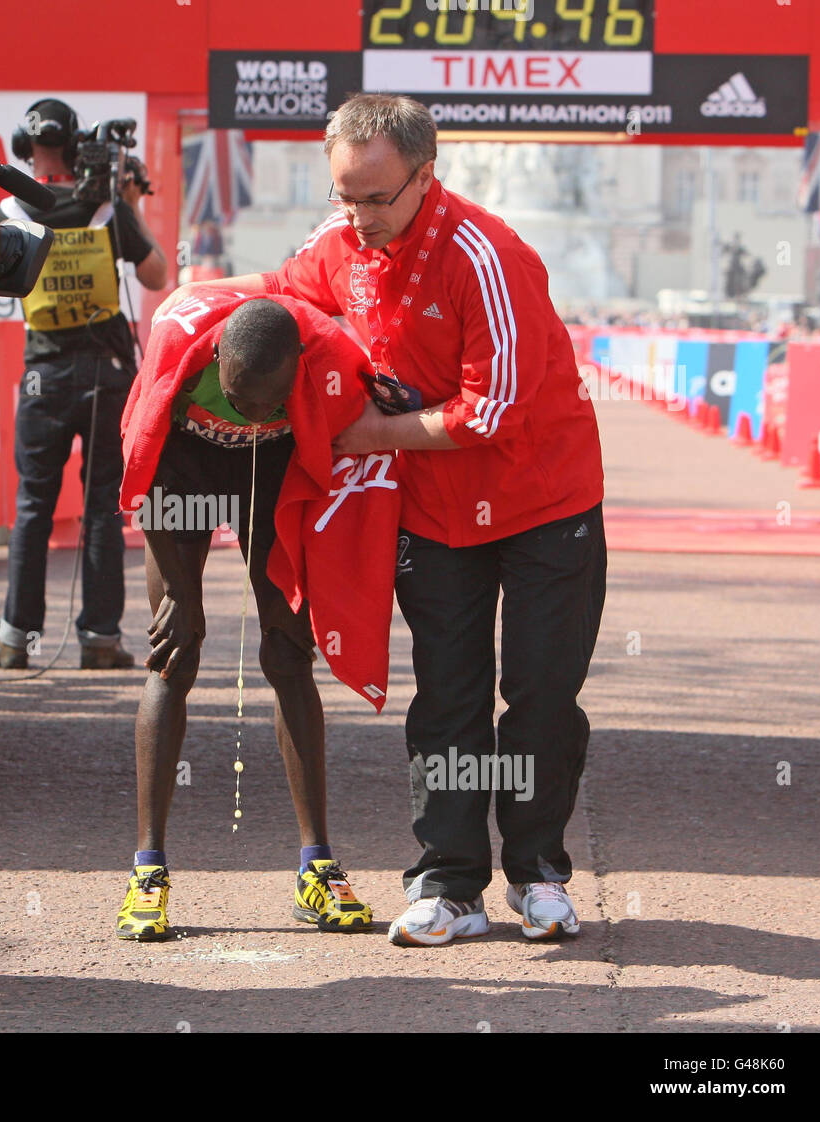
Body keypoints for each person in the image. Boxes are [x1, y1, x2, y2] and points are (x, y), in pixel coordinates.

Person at [159, 94, 606, 946]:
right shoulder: (338, 247)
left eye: (376, 198)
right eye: (344, 197)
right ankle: (448, 884)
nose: (357, 217)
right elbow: (276, 297)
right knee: (448, 699)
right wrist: (189, 310)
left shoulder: (489, 254)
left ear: (426, 177)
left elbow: (493, 410)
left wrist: (362, 433)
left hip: (546, 500)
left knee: (541, 696)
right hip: (436, 513)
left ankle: (540, 873)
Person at [115, 293, 405, 940]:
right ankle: (148, 870)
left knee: (287, 649)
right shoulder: (177, 348)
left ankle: (317, 866)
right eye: (238, 397)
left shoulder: (331, 357)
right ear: (216, 356)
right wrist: (182, 598)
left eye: (264, 402)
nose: (248, 410)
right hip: (181, 472)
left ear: (300, 368)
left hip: (271, 475)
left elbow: (351, 456)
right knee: (176, 647)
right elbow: (142, 461)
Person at [0, 98, 169, 670]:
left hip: (41, 378)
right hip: (106, 376)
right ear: (77, 146)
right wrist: (130, 204)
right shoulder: (106, 208)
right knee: (101, 511)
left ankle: (14, 642)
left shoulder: (8, 207)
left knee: (31, 510)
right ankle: (99, 640)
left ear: (25, 147)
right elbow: (157, 273)